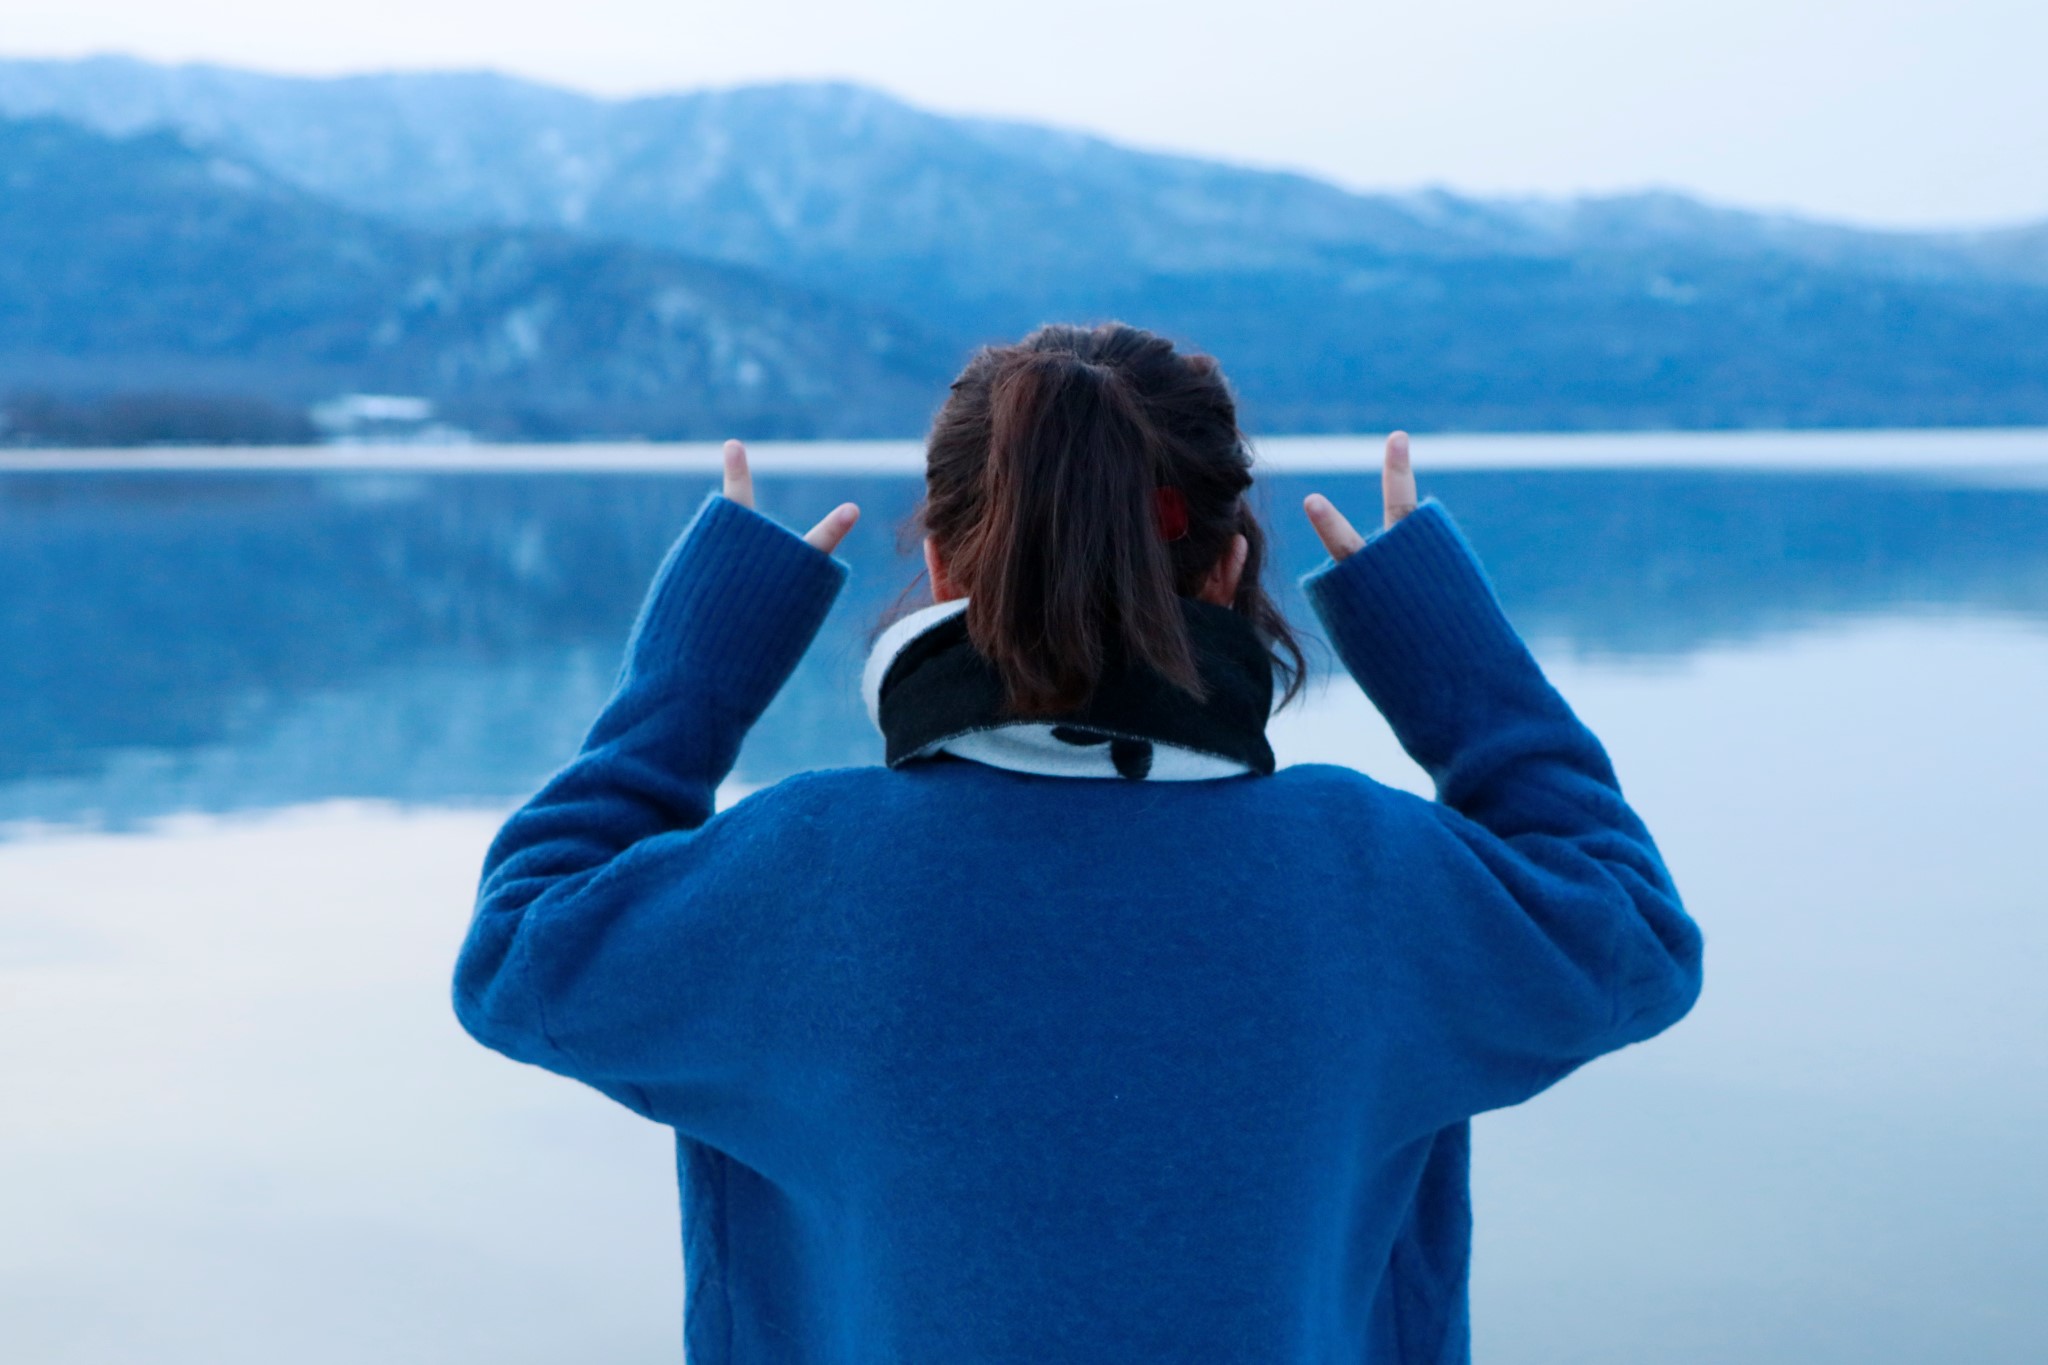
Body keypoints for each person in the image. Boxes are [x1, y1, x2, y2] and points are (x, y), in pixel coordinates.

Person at [452, 322, 1704, 1364]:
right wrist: (1443, 654)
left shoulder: (790, 879)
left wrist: (698, 668)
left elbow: (517, 954)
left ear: (941, 565)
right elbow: (1632, 936)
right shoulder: (1373, 880)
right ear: (1225, 570)